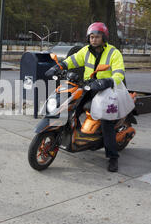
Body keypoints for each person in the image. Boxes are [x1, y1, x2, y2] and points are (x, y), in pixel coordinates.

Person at [45, 22, 126, 173]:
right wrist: (58, 67)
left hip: (106, 90)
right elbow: (72, 60)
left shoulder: (113, 53)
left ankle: (112, 157)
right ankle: (72, 136)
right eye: (92, 37)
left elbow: (119, 73)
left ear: (104, 38)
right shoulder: (85, 51)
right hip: (89, 86)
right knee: (70, 107)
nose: (94, 40)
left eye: (97, 37)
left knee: (106, 123)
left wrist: (108, 80)